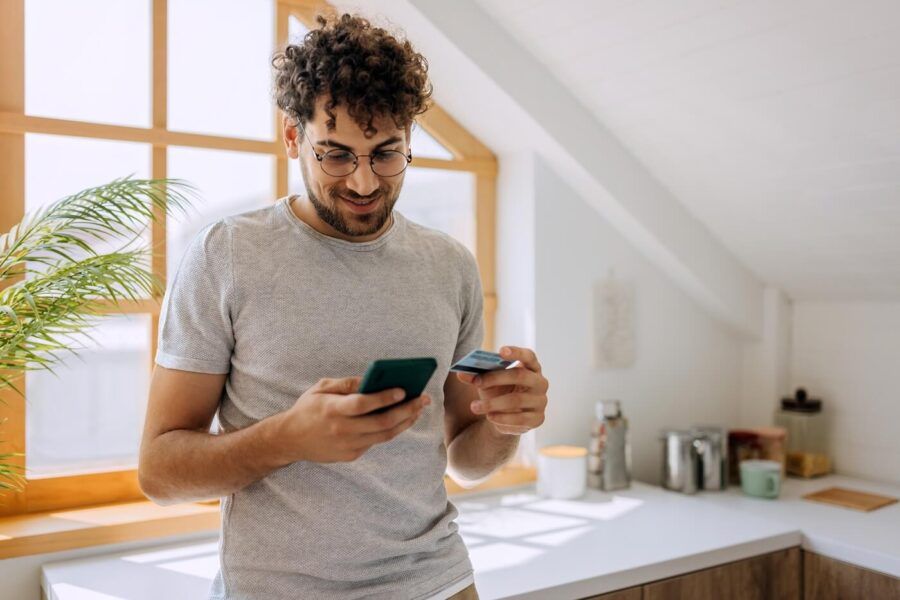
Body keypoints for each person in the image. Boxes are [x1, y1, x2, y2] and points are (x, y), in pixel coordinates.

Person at [138, 13, 549, 600]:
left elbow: (466, 458)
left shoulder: (449, 265)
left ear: (409, 139)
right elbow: (159, 473)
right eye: (335, 156)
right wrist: (287, 438)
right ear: (291, 138)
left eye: (386, 154)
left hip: (439, 583)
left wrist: (507, 423)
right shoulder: (226, 255)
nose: (363, 184)